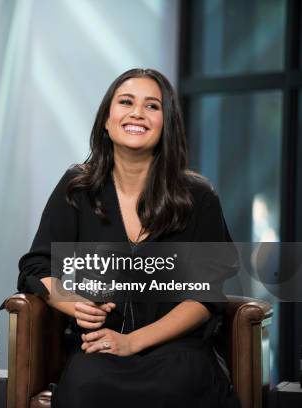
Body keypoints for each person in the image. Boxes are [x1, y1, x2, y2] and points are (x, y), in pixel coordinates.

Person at [18, 68, 239, 408]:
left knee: (178, 388)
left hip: (178, 351)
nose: (137, 112)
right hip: (98, 347)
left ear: (167, 124)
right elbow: (36, 267)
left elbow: (207, 296)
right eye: (126, 102)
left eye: (152, 106)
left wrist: (133, 342)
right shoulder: (78, 188)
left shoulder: (199, 196)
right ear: (107, 121)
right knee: (85, 387)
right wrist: (73, 303)